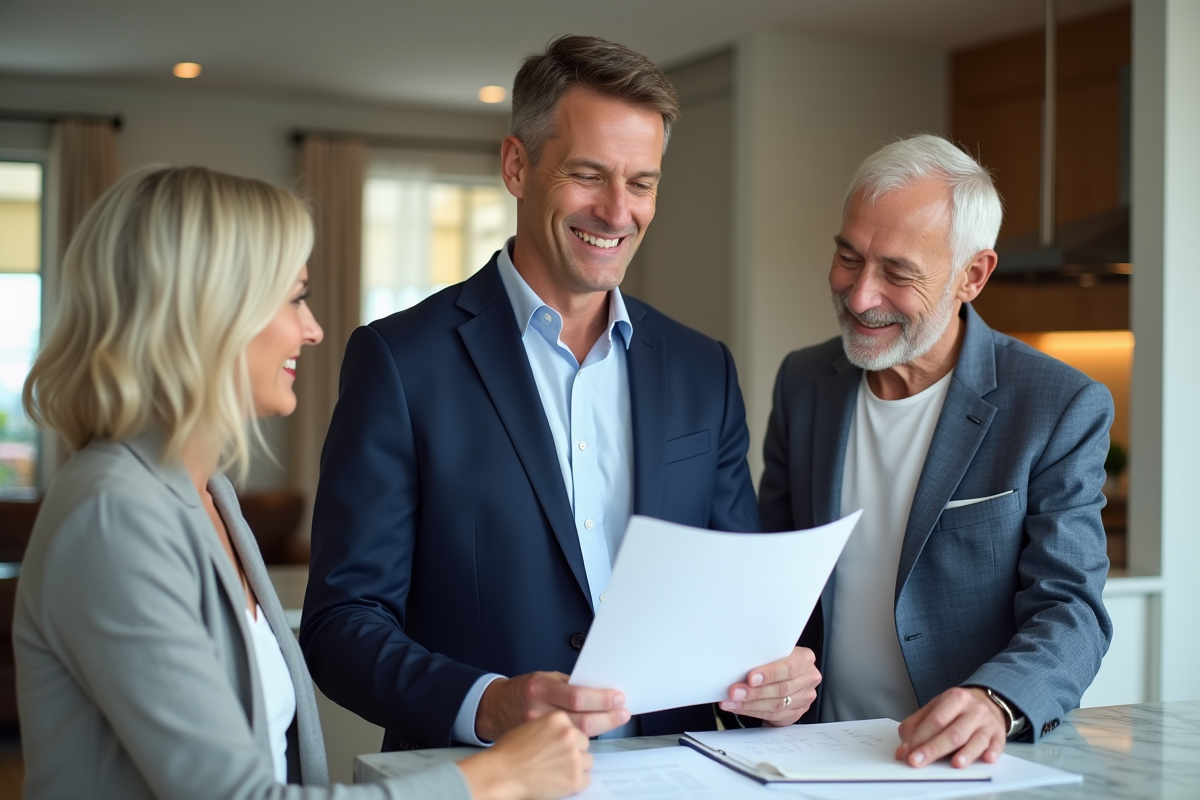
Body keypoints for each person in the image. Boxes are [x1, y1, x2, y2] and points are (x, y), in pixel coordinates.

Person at [301, 34, 819, 752]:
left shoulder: (705, 370)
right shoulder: (399, 360)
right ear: (517, 166)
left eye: (642, 183)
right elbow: (340, 625)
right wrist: (487, 703)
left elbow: (733, 617)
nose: (616, 211)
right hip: (483, 783)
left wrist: (773, 682)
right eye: (588, 175)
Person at [14, 165, 591, 800]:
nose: (312, 329)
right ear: (208, 312)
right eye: (294, 298)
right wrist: (498, 775)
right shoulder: (113, 514)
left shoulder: (210, 495)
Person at [758, 134, 1114, 769]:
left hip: (958, 763)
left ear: (971, 275)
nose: (861, 296)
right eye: (848, 257)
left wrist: (995, 699)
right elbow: (769, 572)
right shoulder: (803, 382)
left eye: (898, 273)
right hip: (812, 755)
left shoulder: (1057, 404)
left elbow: (1071, 608)